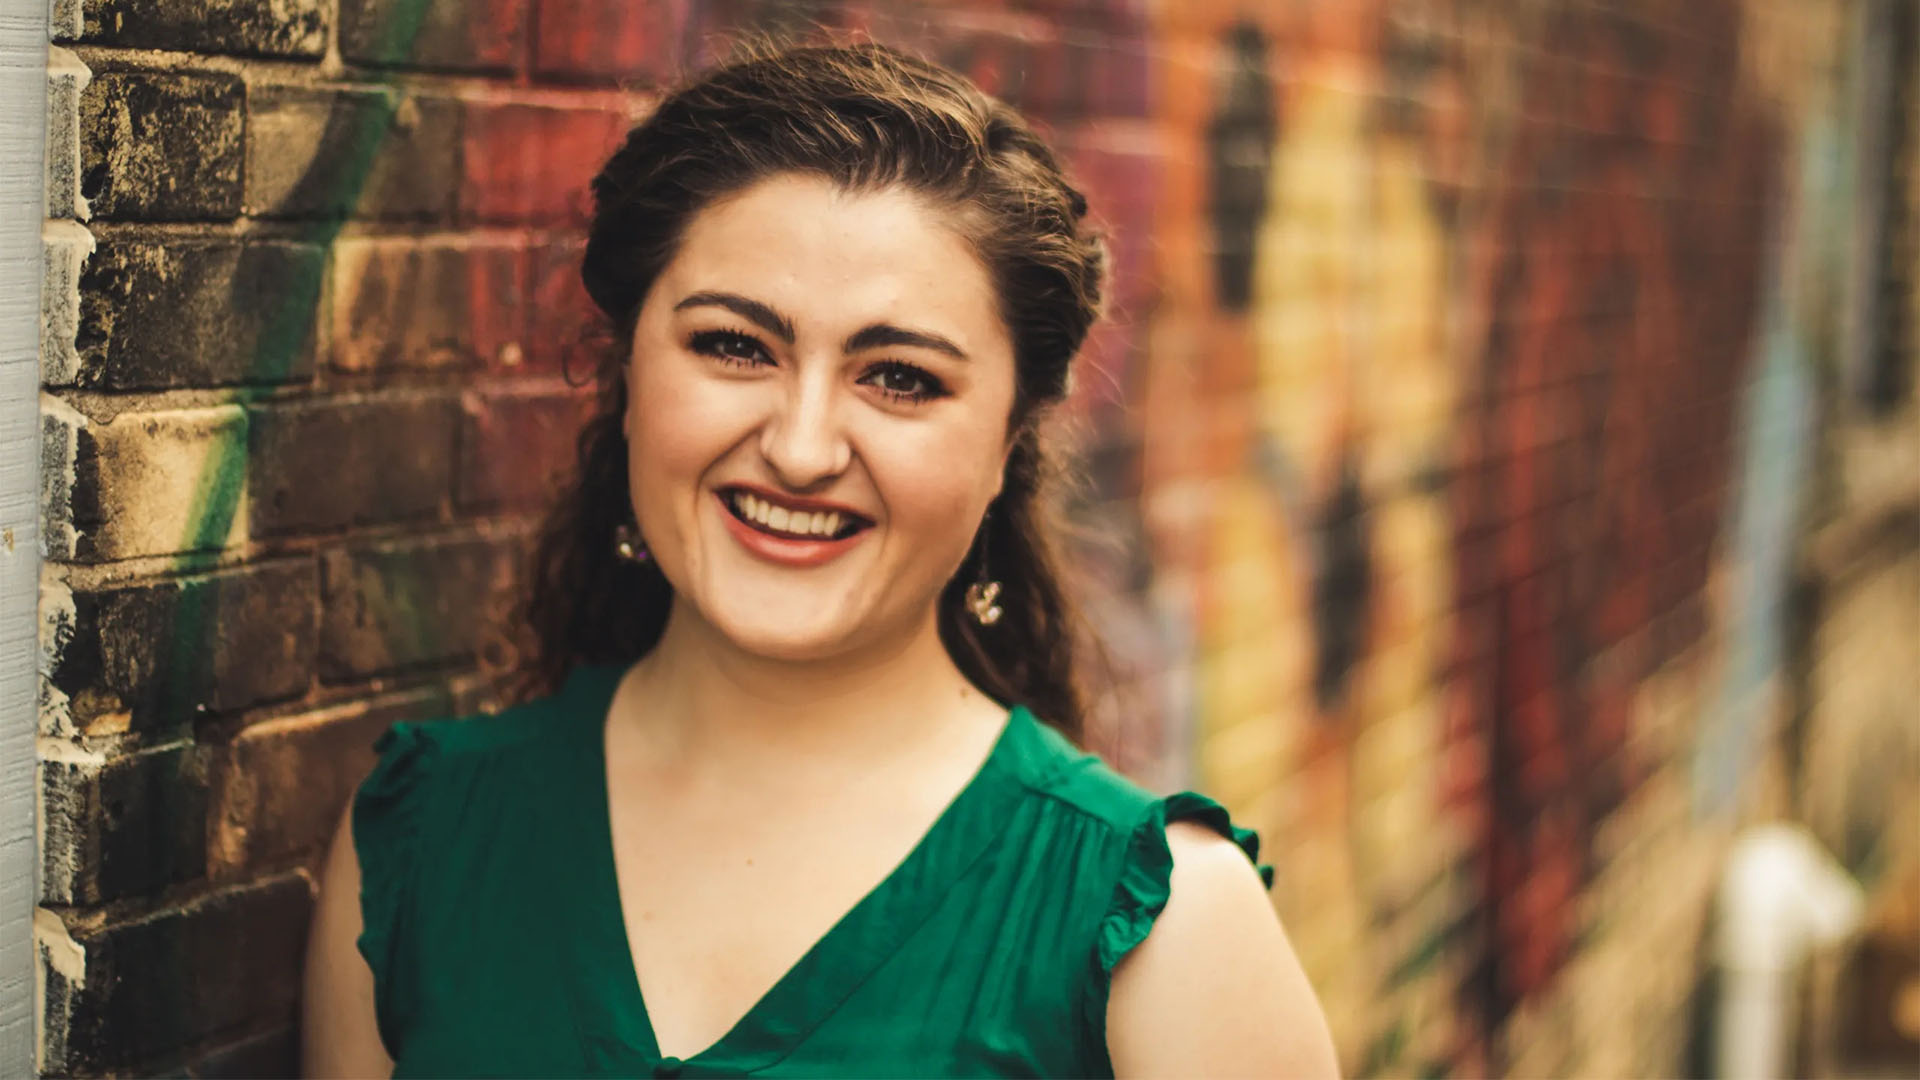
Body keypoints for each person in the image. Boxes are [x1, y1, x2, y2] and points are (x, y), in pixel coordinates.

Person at [303, 40, 1338, 1079]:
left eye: (898, 377)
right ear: (629, 377)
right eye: (736, 347)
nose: (801, 449)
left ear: (1007, 449)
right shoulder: (416, 846)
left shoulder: (1170, 933)